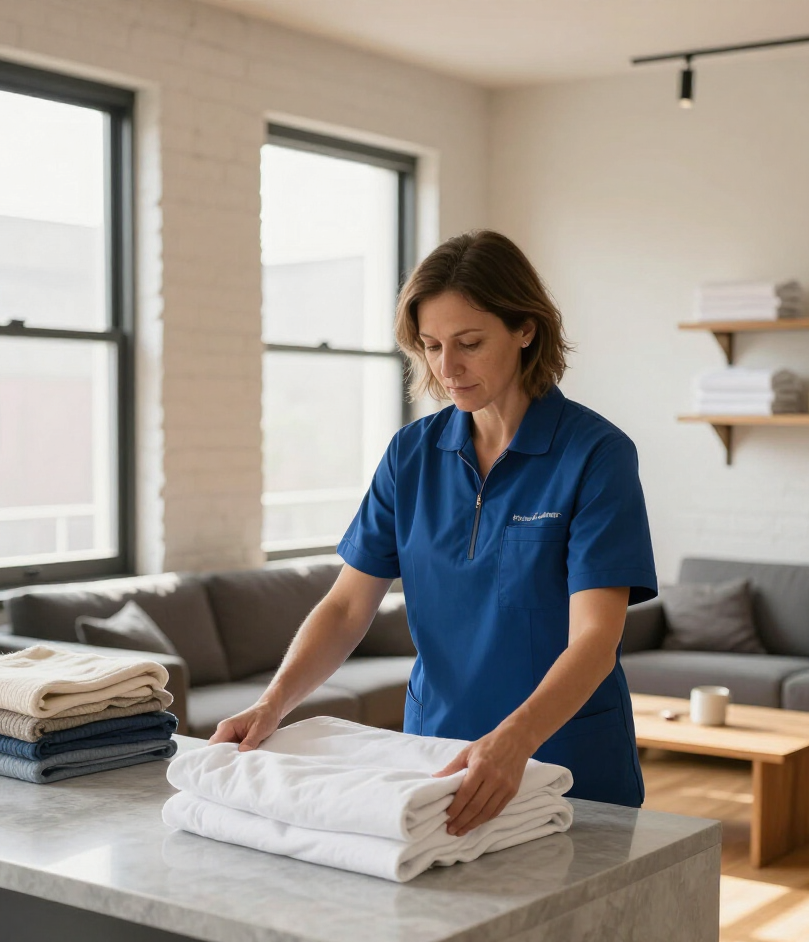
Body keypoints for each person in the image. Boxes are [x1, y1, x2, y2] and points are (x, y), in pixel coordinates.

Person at [210, 229, 658, 839]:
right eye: (431, 345)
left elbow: (595, 639)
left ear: (525, 329)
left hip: (567, 757)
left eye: (470, 343)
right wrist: (274, 702)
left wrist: (514, 740)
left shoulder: (596, 456)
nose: (447, 368)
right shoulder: (411, 454)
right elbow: (346, 607)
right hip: (434, 757)